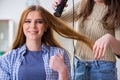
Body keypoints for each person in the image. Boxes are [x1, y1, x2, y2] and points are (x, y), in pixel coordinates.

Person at [0, 5, 93, 80]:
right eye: (28, 21)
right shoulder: (8, 59)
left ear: (45, 27)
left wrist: (62, 70)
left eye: (39, 22)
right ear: (22, 26)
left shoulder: (59, 54)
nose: (33, 26)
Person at [53, 0, 120, 80]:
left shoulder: (117, 10)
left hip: (103, 69)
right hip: (79, 65)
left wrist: (109, 38)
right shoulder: (83, 4)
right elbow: (57, 22)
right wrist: (59, 8)